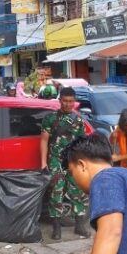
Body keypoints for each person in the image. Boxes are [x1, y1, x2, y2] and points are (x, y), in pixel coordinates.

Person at [41, 87, 90, 240]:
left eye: (71, 101)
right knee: (56, 193)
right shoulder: (50, 118)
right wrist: (43, 162)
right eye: (65, 101)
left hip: (74, 161)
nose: (68, 104)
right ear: (60, 101)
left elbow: (83, 143)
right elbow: (44, 140)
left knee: (78, 192)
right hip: (56, 160)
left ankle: (80, 226)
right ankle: (56, 227)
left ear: (74, 102)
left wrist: (84, 162)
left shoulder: (79, 120)